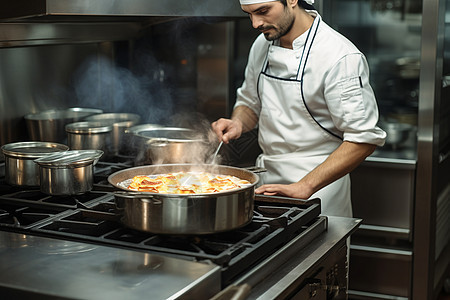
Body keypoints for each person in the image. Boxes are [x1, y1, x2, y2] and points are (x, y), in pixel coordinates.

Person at [211, 0, 386, 217]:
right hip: (268, 183)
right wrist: (238, 122)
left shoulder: (340, 57)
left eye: (263, 11)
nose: (255, 23)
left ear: (292, 0)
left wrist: (305, 186)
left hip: (320, 191)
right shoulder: (262, 44)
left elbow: (363, 140)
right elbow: (250, 103)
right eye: (249, 14)